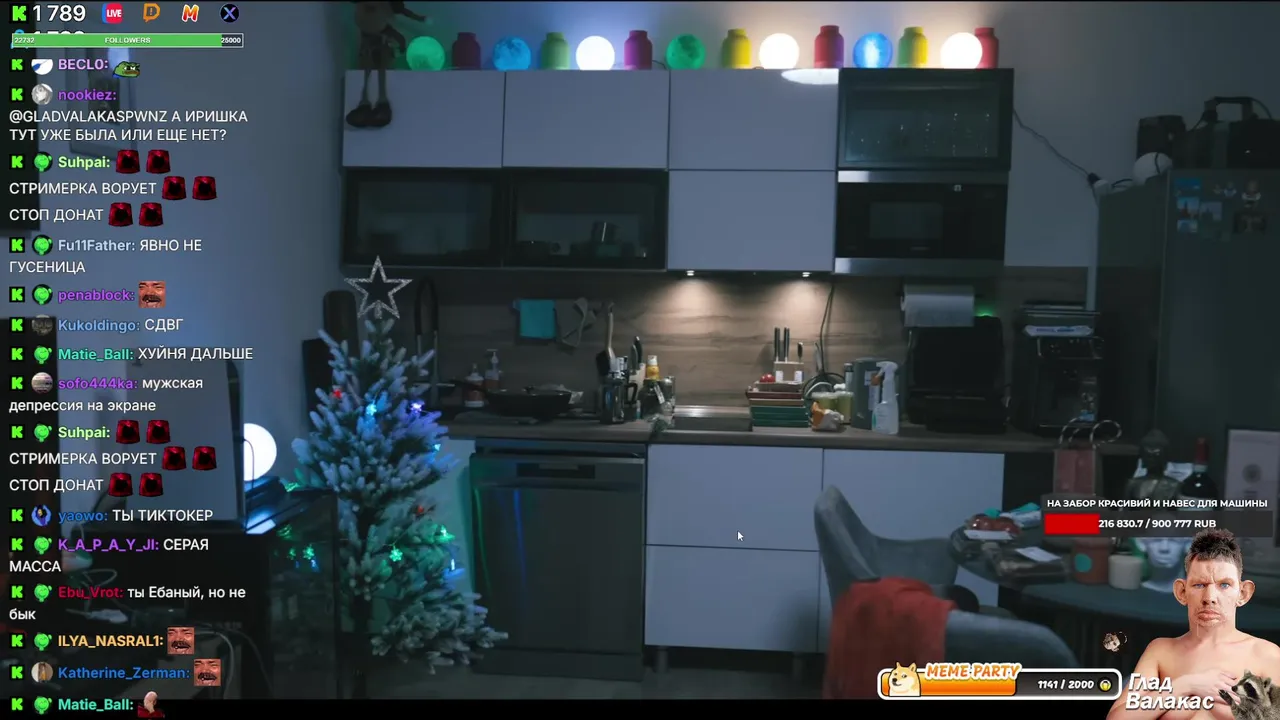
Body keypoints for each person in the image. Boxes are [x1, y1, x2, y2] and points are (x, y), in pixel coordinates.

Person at [1107, 528, 1280, 719]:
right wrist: (1186, 685)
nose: (1209, 597)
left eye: (1224, 585)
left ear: (1243, 593)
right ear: (1182, 592)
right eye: (1199, 585)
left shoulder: (1266, 655)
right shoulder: (1161, 652)